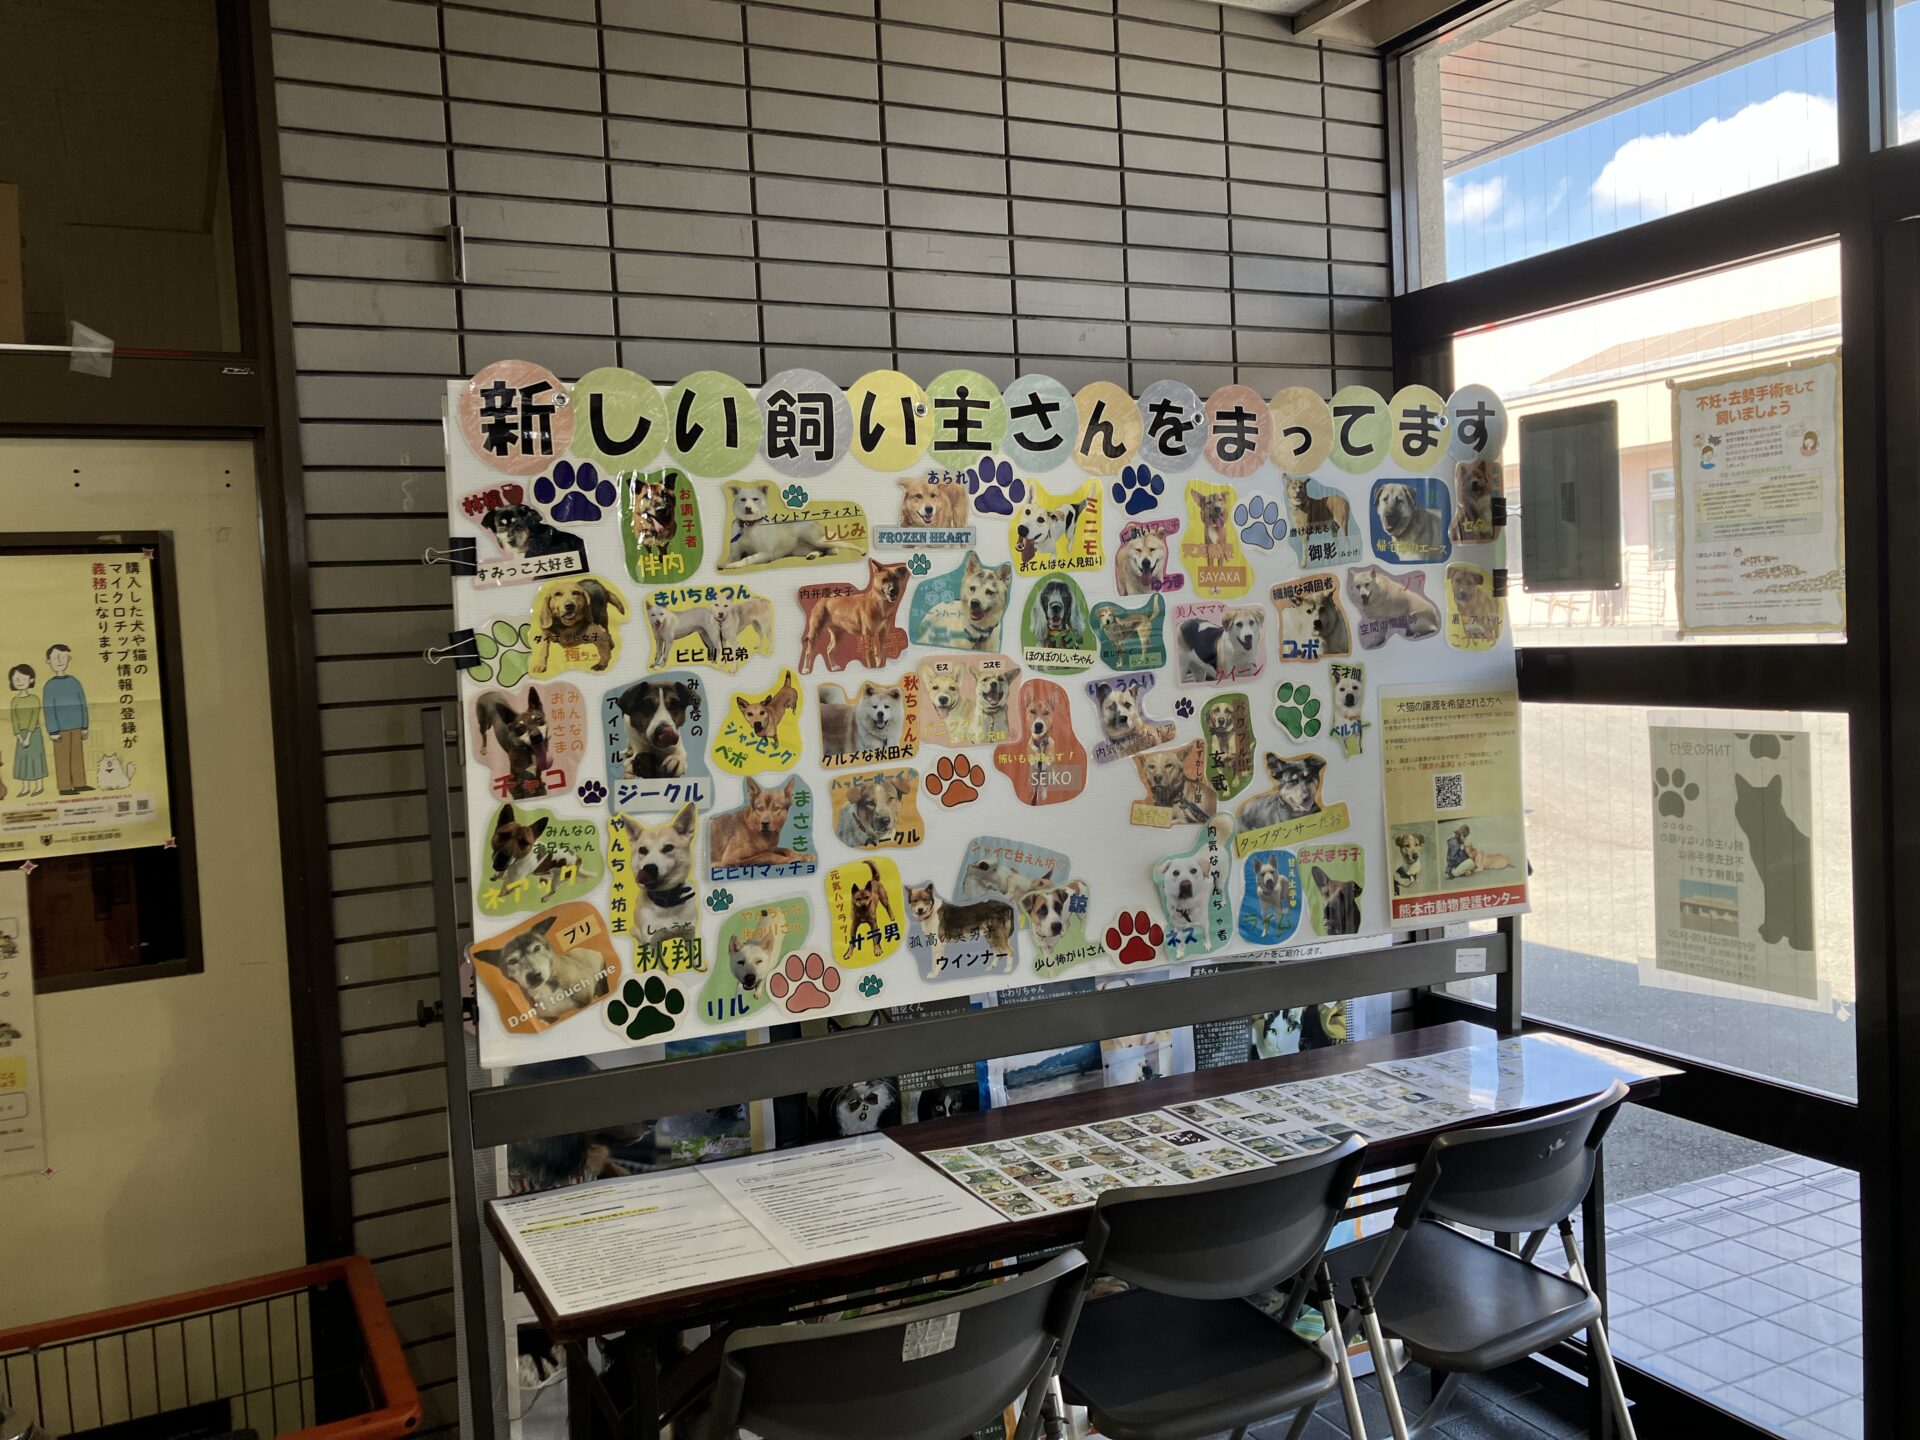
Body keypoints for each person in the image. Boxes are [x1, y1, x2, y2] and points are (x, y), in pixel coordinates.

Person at [42, 643, 89, 796]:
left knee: (77, 756)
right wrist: (53, 730)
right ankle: (64, 787)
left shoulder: (74, 682)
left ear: (69, 658)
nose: (59, 660)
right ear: (48, 661)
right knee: (62, 758)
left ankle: (80, 783)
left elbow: (83, 704)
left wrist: (84, 726)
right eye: (55, 657)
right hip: (60, 730)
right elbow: (49, 709)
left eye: (63, 656)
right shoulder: (49, 686)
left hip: (77, 727)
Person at [10, 664, 48, 799]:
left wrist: (28, 737)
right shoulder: (14, 701)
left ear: (31, 680)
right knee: (22, 760)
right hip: (21, 735)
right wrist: (20, 737)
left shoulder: (34, 699)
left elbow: (34, 719)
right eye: (16, 679)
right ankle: (25, 788)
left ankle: (39, 786)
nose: (19, 681)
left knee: (36, 759)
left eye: (22, 678)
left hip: (34, 733)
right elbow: (14, 720)